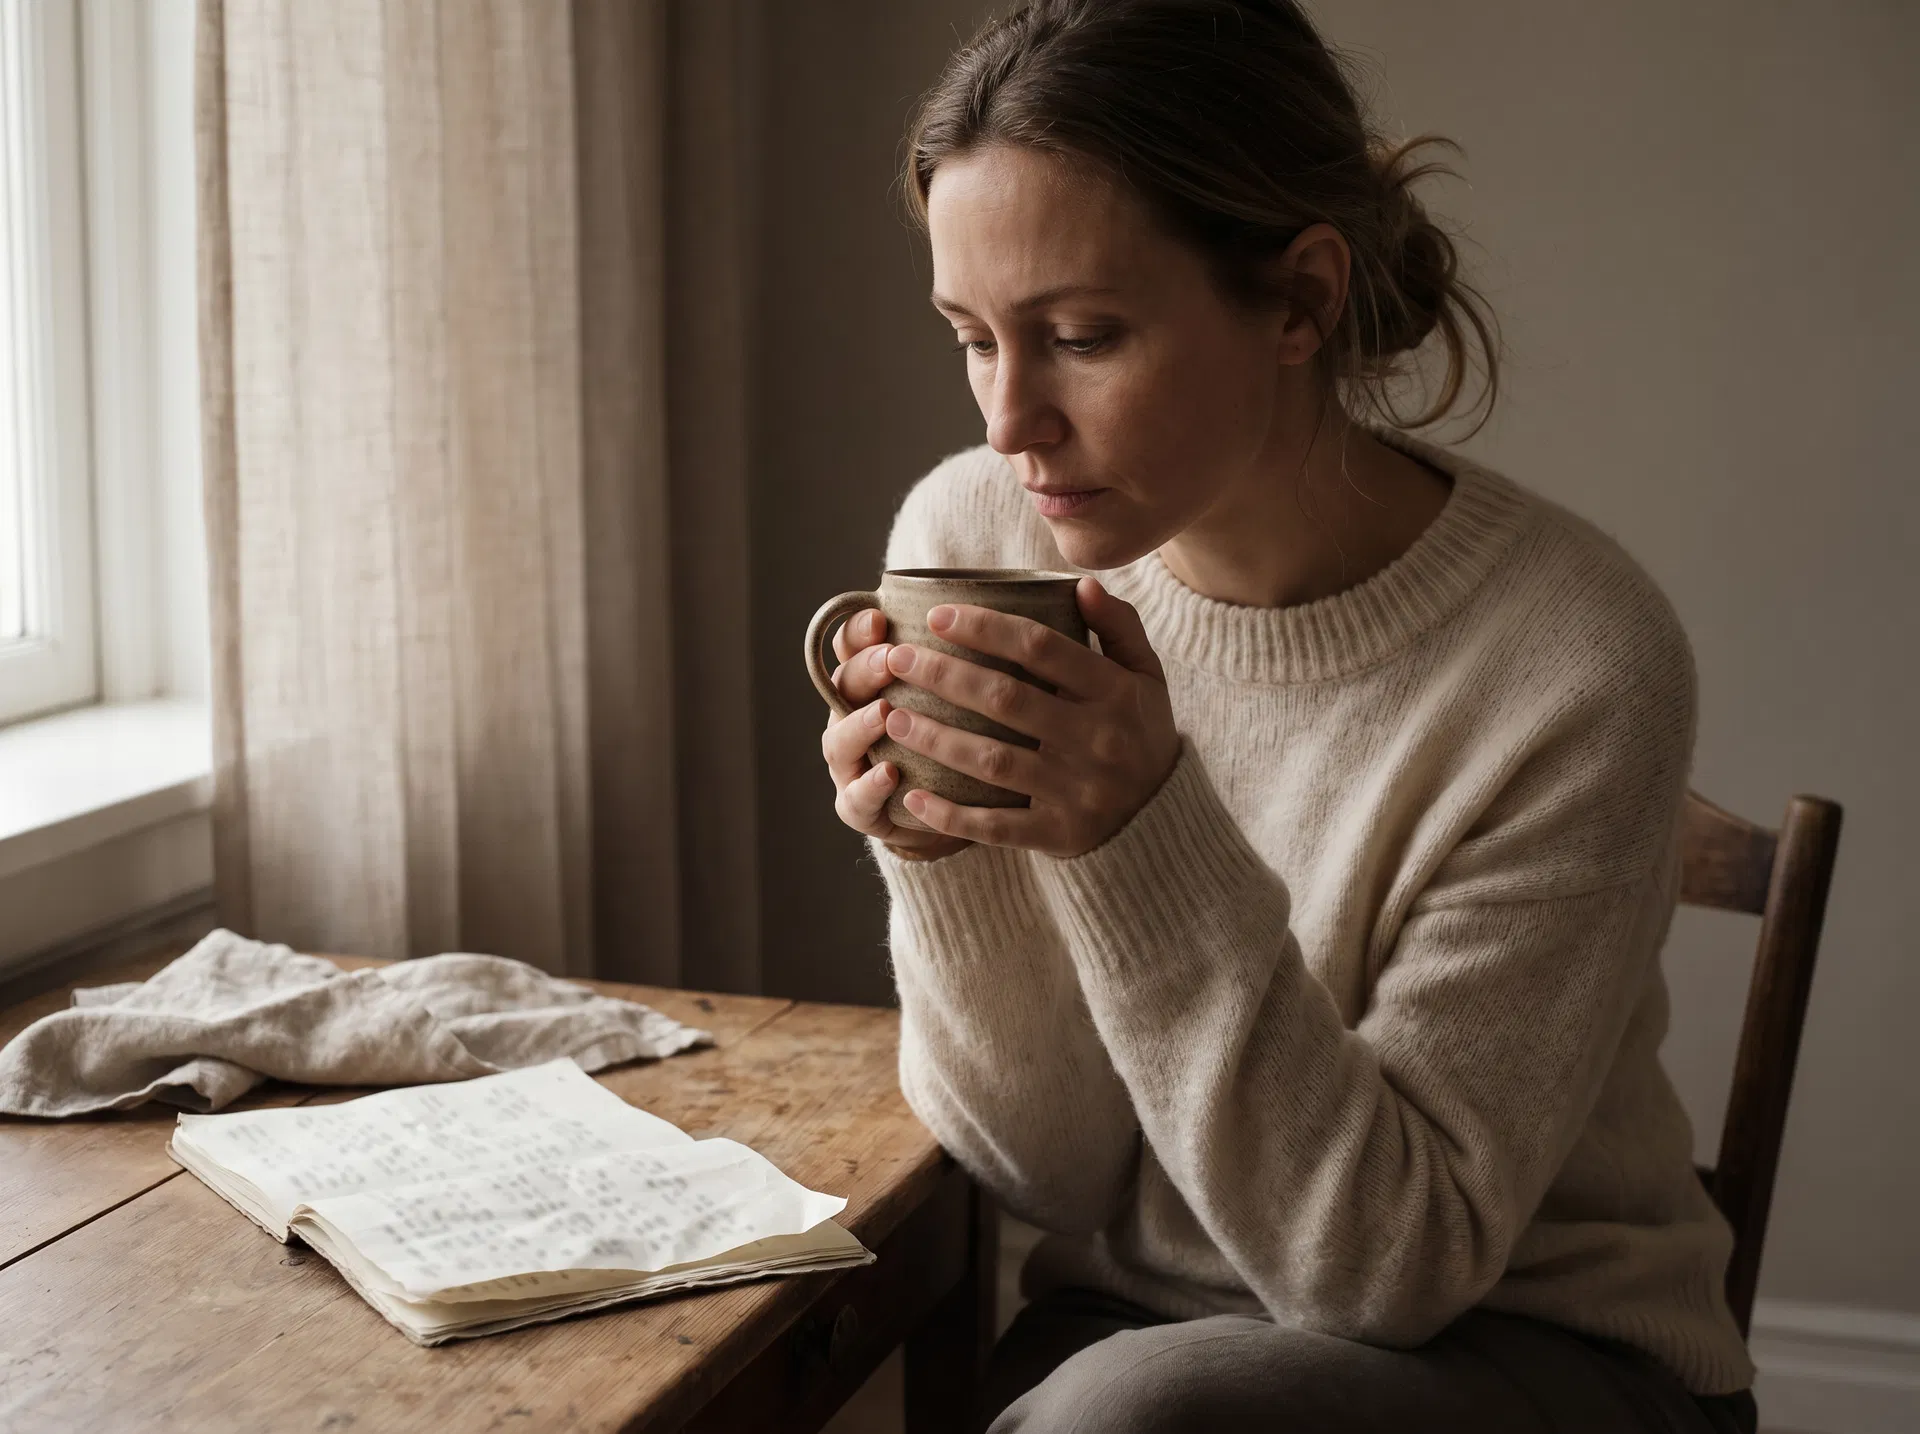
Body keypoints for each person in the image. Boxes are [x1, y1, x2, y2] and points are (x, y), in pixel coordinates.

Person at [817, 2, 1758, 1429]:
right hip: (1134, 1325)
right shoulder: (979, 533)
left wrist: (1140, 829)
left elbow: (1396, 1266)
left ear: (1303, 301)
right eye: (971, 337)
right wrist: (944, 864)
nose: (1011, 420)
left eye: (1078, 336)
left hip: (1534, 1343)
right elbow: (1051, 1173)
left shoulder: (1575, 654)